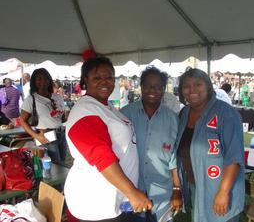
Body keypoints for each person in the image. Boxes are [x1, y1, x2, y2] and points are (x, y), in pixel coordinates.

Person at [64, 57, 152, 222]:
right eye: (97, 78)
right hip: (95, 203)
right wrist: (132, 192)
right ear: (85, 80)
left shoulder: (105, 106)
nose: (104, 82)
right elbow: (102, 157)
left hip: (115, 197)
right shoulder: (85, 110)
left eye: (109, 77)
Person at [176, 68, 245, 222]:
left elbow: (234, 157)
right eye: (186, 86)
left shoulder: (225, 113)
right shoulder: (184, 114)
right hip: (196, 186)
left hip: (220, 188)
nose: (192, 90)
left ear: (208, 86)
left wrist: (223, 192)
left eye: (198, 84)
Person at [121, 66, 182, 222]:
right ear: (141, 87)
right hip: (132, 191)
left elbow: (173, 158)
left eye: (158, 86)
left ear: (163, 90)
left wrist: (176, 190)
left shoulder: (172, 119)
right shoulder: (125, 114)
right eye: (148, 85)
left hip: (162, 193)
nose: (152, 90)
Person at [20, 68, 67, 164]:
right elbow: (23, 121)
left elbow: (62, 118)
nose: (43, 81)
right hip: (45, 135)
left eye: (46, 78)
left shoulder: (57, 97)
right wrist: (36, 136)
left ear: (50, 80)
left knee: (62, 164)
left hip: (61, 134)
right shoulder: (31, 99)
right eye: (39, 79)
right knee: (53, 166)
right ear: (34, 81)